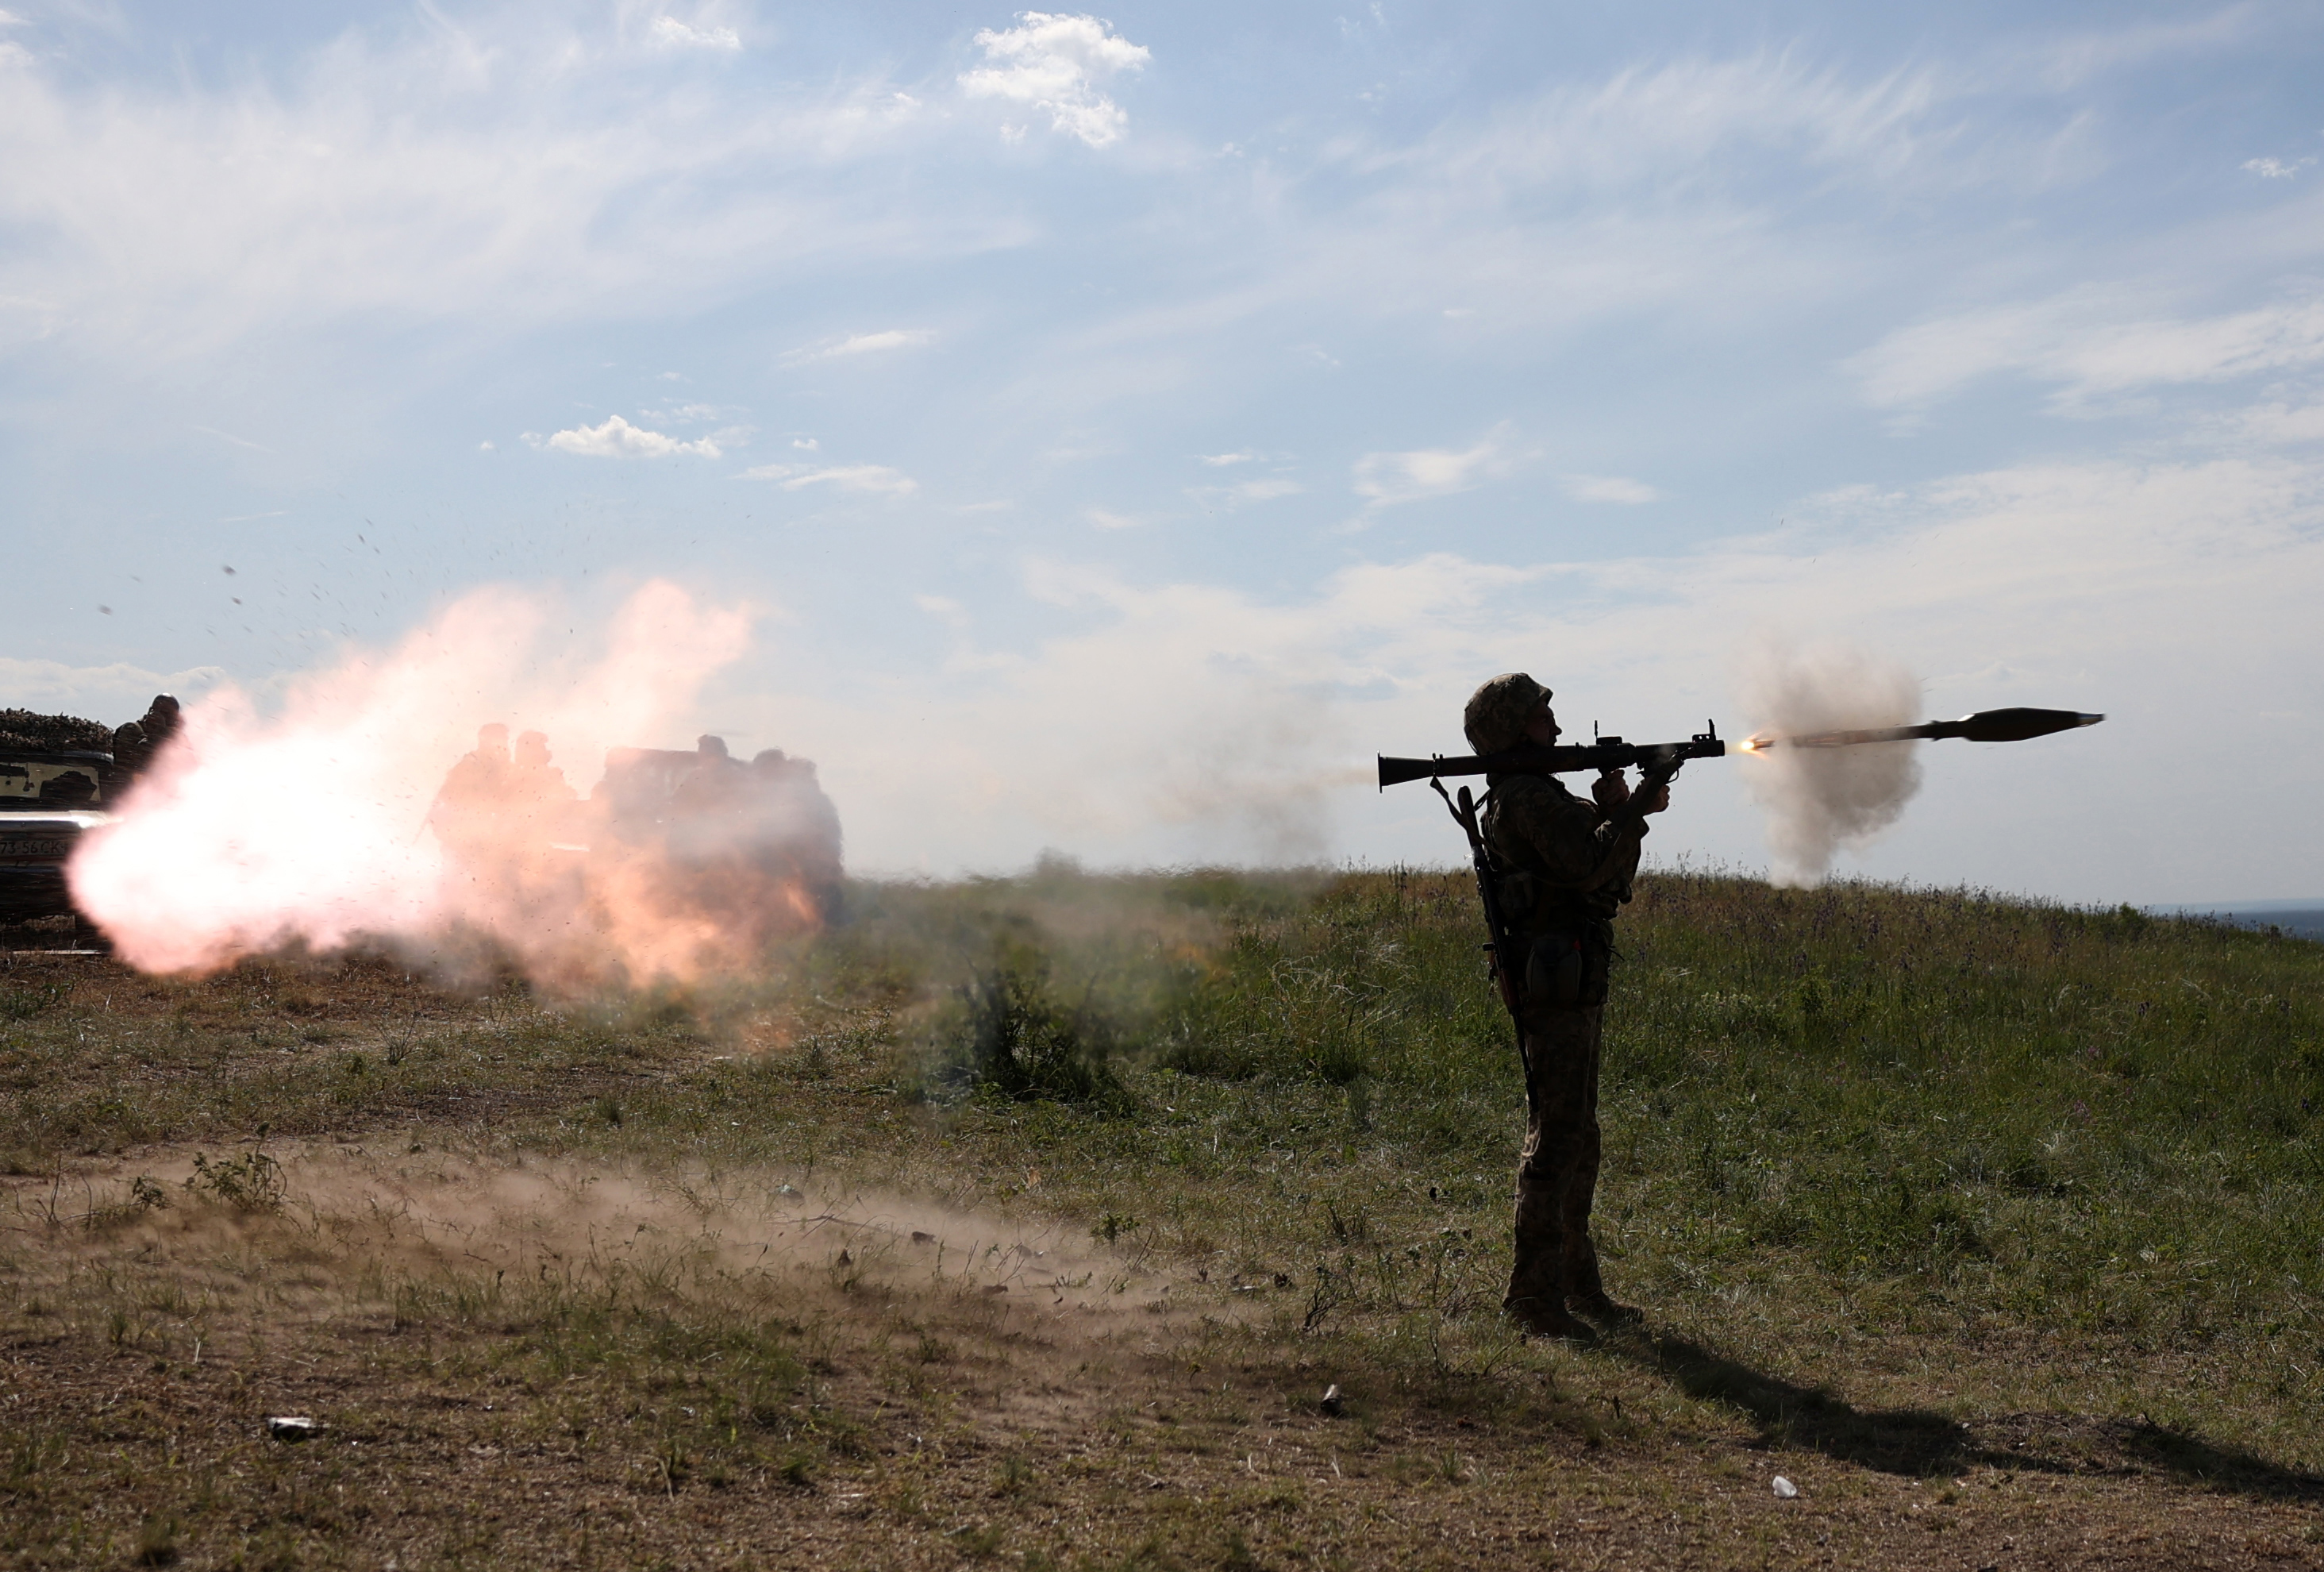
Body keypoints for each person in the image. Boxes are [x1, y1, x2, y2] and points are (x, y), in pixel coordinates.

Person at [1463, 672, 1671, 1340]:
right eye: (1541, 717)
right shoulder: (1525, 799)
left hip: (1571, 975)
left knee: (1580, 1133)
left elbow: (1612, 875)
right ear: (1513, 729)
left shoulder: (1539, 795)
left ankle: (1577, 1286)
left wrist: (1622, 808)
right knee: (1556, 1137)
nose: (1555, 725)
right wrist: (1629, 806)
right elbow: (1587, 865)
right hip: (1553, 978)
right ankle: (1533, 1297)